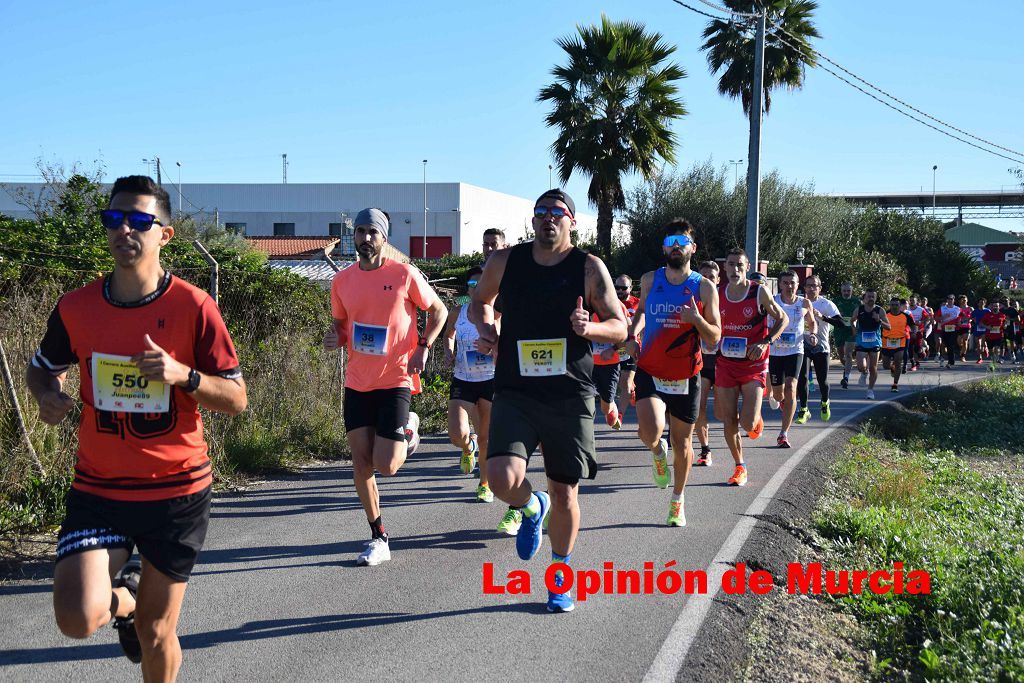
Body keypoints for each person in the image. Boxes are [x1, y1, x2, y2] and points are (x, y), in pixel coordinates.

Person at [26, 176, 247, 677]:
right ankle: (122, 602)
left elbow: (236, 398)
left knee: (155, 631)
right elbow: (42, 367)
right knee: (77, 617)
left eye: (140, 220)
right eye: (114, 218)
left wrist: (183, 376)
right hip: (99, 489)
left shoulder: (193, 307)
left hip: (177, 492)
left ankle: (135, 613)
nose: (124, 228)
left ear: (164, 234)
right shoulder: (77, 307)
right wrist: (46, 395)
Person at [470, 189, 626, 613]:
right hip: (516, 390)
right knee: (499, 477)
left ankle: (560, 575)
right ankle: (528, 504)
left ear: (572, 222)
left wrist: (589, 328)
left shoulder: (589, 268)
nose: (548, 220)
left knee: (565, 493)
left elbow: (620, 327)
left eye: (557, 213)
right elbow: (477, 303)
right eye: (541, 213)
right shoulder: (506, 262)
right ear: (533, 220)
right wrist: (487, 328)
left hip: (568, 395)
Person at [325, 208, 448, 567]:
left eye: (372, 232)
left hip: (396, 378)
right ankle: (378, 536)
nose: (364, 238)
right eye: (360, 232)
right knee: (360, 462)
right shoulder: (341, 281)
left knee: (388, 465)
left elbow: (438, 310)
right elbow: (341, 327)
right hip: (357, 382)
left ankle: (409, 427)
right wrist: (337, 337)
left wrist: (424, 347)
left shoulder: (403, 274)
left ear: (384, 238)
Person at [624, 221, 721, 526]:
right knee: (649, 431)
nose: (676, 246)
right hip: (650, 368)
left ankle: (677, 501)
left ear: (692, 248)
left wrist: (696, 320)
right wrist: (632, 337)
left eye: (682, 241)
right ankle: (656, 450)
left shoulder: (704, 286)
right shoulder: (651, 279)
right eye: (670, 241)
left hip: (685, 374)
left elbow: (715, 336)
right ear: (664, 247)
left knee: (683, 445)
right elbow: (640, 314)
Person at [714, 248, 787, 487]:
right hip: (726, 362)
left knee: (747, 423)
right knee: (728, 419)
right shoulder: (717, 294)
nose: (735, 269)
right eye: (731, 265)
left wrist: (766, 341)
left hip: (754, 363)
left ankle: (755, 418)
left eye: (740, 266)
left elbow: (782, 319)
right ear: (724, 268)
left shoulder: (758, 292)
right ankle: (740, 466)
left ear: (746, 268)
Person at [443, 266, 496, 503]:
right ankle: (467, 447)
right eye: (472, 285)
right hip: (463, 379)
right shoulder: (458, 312)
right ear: (468, 289)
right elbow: (448, 335)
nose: (476, 289)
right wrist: (448, 351)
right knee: (457, 433)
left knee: (486, 438)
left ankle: (484, 484)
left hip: (490, 381)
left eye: (481, 284)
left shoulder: (497, 315)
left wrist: (494, 349)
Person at [766, 271, 817, 448]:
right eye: (786, 283)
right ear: (780, 285)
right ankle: (783, 402)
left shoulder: (804, 302)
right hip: (775, 352)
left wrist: (812, 334)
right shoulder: (772, 301)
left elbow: (812, 322)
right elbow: (765, 324)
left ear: (798, 285)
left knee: (791, 387)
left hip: (796, 350)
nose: (789, 286)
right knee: (780, 394)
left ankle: (783, 433)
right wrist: (770, 334)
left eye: (792, 283)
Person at [796, 275, 846, 423]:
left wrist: (823, 317)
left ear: (820, 288)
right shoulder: (799, 302)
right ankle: (804, 409)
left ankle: (825, 402)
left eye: (814, 286)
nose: (811, 289)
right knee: (802, 379)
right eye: (808, 286)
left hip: (821, 347)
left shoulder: (826, 304)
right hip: (802, 345)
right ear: (804, 288)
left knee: (822, 380)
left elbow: (841, 323)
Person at [694, 261, 721, 464]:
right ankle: (706, 449)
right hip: (701, 362)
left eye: (711, 277)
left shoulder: (728, 300)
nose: (707, 280)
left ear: (718, 280)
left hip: (725, 362)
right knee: (699, 408)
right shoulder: (692, 300)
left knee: (722, 412)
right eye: (703, 277)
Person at [851, 289, 889, 400]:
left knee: (873, 367)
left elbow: (888, 327)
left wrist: (879, 321)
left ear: (875, 298)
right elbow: (852, 320)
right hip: (861, 341)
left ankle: (870, 390)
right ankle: (863, 373)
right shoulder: (859, 309)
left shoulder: (880, 310)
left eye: (873, 297)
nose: (871, 298)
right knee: (860, 366)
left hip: (875, 342)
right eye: (869, 296)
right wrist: (854, 328)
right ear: (864, 298)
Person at [612, 274, 641, 418]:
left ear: (631, 288)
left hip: (631, 347)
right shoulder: (609, 302)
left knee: (626, 382)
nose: (619, 291)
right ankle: (632, 390)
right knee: (621, 383)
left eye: (623, 288)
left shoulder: (638, 304)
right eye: (617, 287)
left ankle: (619, 416)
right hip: (613, 347)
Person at [881, 297, 914, 392]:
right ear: (889, 305)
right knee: (885, 366)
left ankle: (895, 384)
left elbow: (912, 325)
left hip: (900, 342)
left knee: (898, 362)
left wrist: (914, 332)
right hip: (886, 342)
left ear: (900, 306)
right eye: (892, 305)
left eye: (896, 305)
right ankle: (892, 367)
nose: (894, 307)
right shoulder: (885, 315)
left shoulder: (905, 316)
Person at [833, 282, 860, 389]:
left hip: (851, 331)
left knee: (848, 354)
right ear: (841, 291)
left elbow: (862, 315)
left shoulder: (857, 302)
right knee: (841, 356)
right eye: (844, 290)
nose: (846, 293)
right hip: (839, 331)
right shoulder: (836, 301)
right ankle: (847, 368)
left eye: (848, 290)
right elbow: (830, 314)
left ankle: (846, 377)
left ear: (852, 291)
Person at [905, 294, 931, 371]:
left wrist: (920, 321)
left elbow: (928, 318)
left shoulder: (920, 309)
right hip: (909, 331)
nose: (912, 302)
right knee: (910, 348)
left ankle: (922, 351)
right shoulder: (907, 309)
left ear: (916, 301)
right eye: (911, 300)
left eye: (913, 300)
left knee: (917, 349)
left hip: (918, 331)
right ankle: (915, 364)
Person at [937, 294, 961, 368]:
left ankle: (950, 361)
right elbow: (936, 318)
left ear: (954, 300)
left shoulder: (957, 309)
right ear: (947, 300)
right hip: (945, 329)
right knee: (946, 345)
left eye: (951, 299)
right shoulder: (942, 308)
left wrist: (959, 321)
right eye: (948, 299)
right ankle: (950, 360)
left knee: (950, 344)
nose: (950, 300)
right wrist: (943, 317)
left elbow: (964, 316)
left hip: (954, 329)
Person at [972, 298, 991, 363]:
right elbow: (971, 318)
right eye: (980, 302)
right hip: (977, 328)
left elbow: (991, 318)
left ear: (985, 303)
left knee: (983, 341)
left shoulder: (988, 311)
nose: (981, 303)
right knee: (978, 343)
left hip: (985, 328)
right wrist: (973, 320)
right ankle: (979, 358)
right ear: (978, 304)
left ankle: (985, 348)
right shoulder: (975, 311)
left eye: (983, 302)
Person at [956, 295, 973, 362]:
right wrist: (958, 322)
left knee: (965, 341)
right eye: (962, 300)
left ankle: (963, 356)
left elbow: (973, 317)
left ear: (967, 300)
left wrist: (970, 320)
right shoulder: (957, 308)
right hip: (959, 326)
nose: (963, 301)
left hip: (967, 326)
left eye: (965, 300)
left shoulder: (970, 308)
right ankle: (962, 349)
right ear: (960, 301)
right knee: (959, 341)